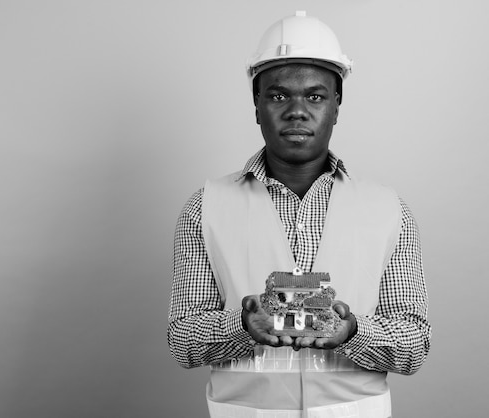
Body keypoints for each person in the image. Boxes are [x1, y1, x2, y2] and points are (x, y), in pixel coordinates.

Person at [167, 11, 431, 418]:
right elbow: (183, 341)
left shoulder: (388, 209)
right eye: (277, 95)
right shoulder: (205, 206)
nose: (296, 110)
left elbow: (414, 345)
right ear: (256, 105)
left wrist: (352, 331)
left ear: (337, 106)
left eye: (315, 95)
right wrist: (242, 326)